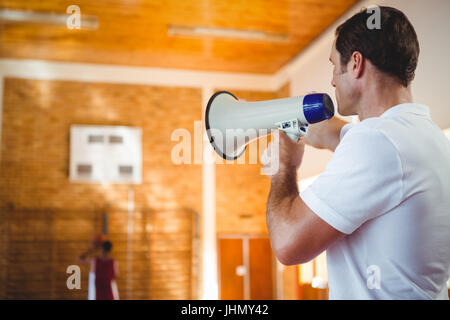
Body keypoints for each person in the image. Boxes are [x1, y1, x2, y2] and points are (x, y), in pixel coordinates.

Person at [263, 6, 450, 299]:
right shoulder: (428, 137)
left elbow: (287, 244)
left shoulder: (375, 142)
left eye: (334, 66)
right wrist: (308, 123)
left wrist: (283, 169)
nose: (333, 80)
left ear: (356, 64)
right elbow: (354, 142)